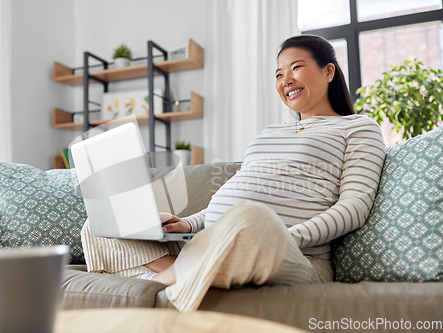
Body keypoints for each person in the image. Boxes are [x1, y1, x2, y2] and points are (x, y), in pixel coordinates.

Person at [81, 34, 386, 312]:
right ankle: (187, 271)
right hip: (217, 240)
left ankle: (160, 282)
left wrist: (281, 236)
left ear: (328, 71)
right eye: (279, 74)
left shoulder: (357, 128)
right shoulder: (268, 133)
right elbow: (234, 190)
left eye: (295, 68)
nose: (285, 80)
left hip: (294, 254)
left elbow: (354, 207)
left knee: (250, 218)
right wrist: (187, 222)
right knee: (100, 224)